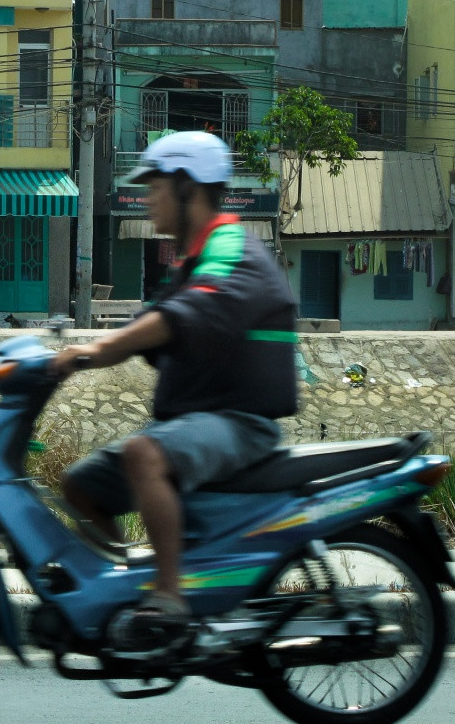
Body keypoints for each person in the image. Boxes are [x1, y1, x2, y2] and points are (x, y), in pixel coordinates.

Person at [51, 131, 298, 625]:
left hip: (241, 421)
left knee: (145, 453)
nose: (148, 200)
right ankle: (120, 590)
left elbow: (189, 312)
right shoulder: (190, 261)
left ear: (188, 188)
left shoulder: (229, 244)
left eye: (155, 187)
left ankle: (169, 597)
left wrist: (96, 350)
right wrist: (67, 358)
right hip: (203, 418)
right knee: (81, 486)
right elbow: (153, 326)